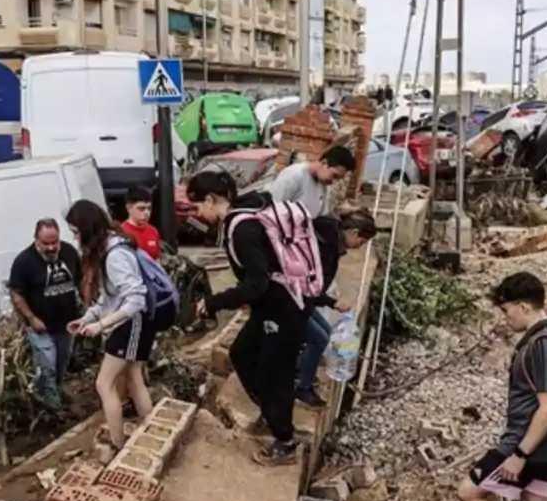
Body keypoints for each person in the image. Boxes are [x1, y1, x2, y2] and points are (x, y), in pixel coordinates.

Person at [187, 171, 308, 467]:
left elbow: (257, 284)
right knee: (242, 353)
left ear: (211, 199)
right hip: (272, 306)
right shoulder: (246, 214)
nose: (197, 215)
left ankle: (286, 441)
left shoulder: (242, 231)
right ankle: (271, 413)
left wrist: (215, 302)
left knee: (274, 373)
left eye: (197, 207)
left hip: (284, 307)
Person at [456, 272, 547, 501]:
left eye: (506, 310)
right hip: (546, 445)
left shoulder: (543, 344)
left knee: (468, 492)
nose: (504, 318)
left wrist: (519, 454)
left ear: (524, 307)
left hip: (524, 443)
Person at [64, 200, 155, 450]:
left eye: (76, 232)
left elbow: (135, 298)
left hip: (129, 323)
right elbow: (109, 296)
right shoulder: (111, 247)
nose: (75, 239)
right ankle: (150, 432)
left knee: (104, 384)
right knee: (134, 378)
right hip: (128, 322)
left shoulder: (114, 256)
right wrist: (87, 318)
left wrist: (101, 323)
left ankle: (117, 442)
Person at [295, 210, 376, 408]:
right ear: (354, 233)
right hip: (291, 299)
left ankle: (300, 370)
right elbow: (308, 287)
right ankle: (302, 388)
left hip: (302, 299)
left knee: (325, 331)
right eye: (362, 242)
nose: (360, 247)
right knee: (319, 338)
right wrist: (332, 302)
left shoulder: (329, 238)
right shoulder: (325, 246)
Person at [8, 219, 82, 411]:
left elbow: (82, 280)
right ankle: (52, 408)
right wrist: (31, 318)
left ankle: (56, 391)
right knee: (47, 366)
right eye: (46, 243)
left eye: (54, 242)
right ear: (36, 240)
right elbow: (16, 293)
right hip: (40, 326)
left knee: (61, 364)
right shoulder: (24, 261)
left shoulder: (69, 253)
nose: (51, 248)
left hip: (66, 323)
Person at [268, 144, 356, 218]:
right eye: (334, 176)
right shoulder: (294, 175)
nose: (334, 181)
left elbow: (321, 217)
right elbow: (271, 208)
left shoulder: (324, 186)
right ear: (324, 163)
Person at [120, 185, 161, 260]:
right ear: (128, 208)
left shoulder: (153, 231)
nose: (147, 213)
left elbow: (157, 260)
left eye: (149, 208)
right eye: (141, 209)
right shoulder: (121, 232)